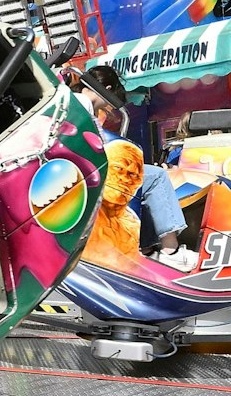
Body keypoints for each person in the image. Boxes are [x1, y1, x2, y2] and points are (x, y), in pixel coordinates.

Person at [73, 64, 195, 270]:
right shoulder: (81, 102)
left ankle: (147, 247)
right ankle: (170, 250)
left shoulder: (76, 103)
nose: (106, 108)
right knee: (155, 176)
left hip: (87, 171)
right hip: (93, 172)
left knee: (142, 184)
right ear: (108, 90)